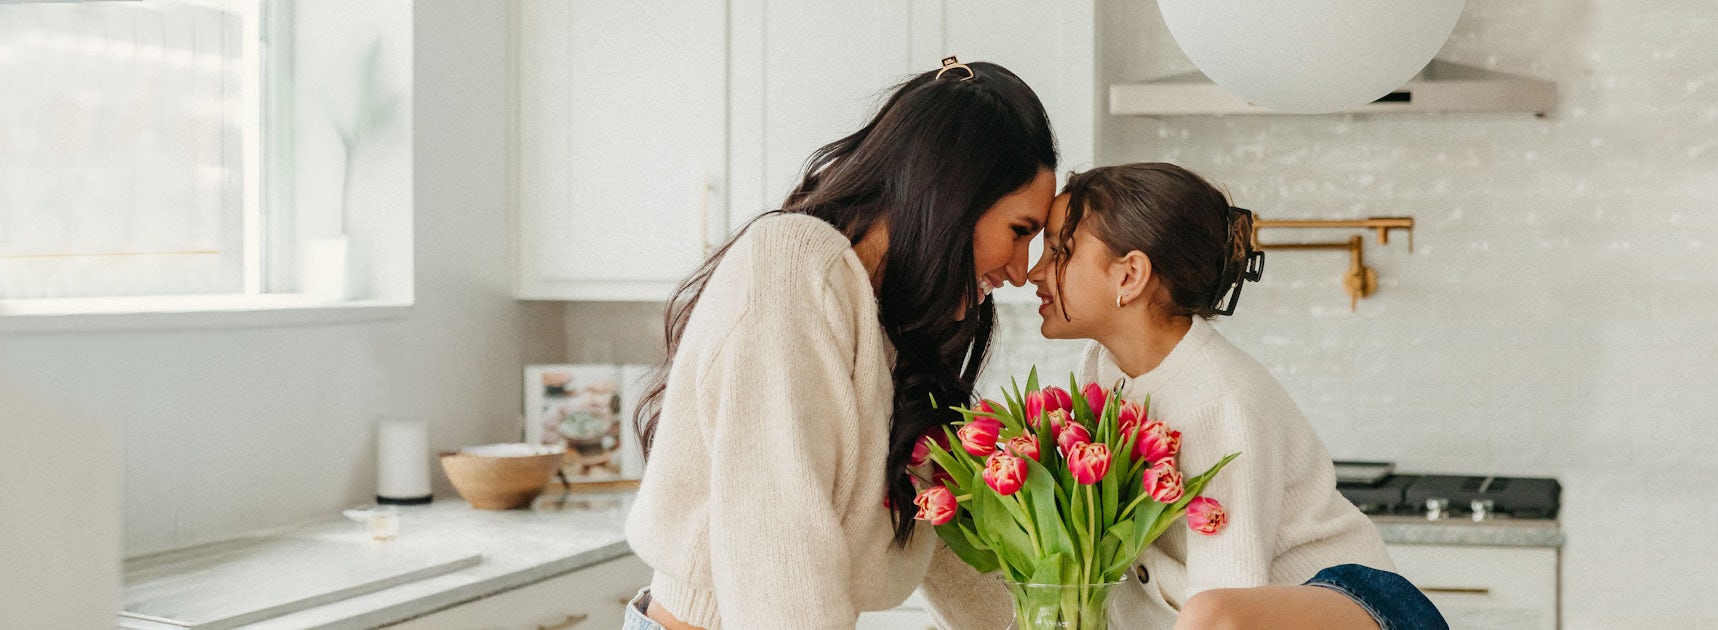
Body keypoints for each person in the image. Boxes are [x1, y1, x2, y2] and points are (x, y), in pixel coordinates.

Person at [621, 57, 1060, 630]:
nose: (1023, 272)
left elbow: (950, 539)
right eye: (1020, 231)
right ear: (954, 194)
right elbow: (780, 547)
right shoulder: (793, 264)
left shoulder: (897, 324)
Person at [920, 163, 1447, 630]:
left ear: (1129, 275)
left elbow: (1232, 591)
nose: (1034, 271)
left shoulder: (1219, 398)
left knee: (1209, 614)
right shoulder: (1101, 369)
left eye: (1060, 250)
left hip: (1357, 605)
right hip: (1221, 614)